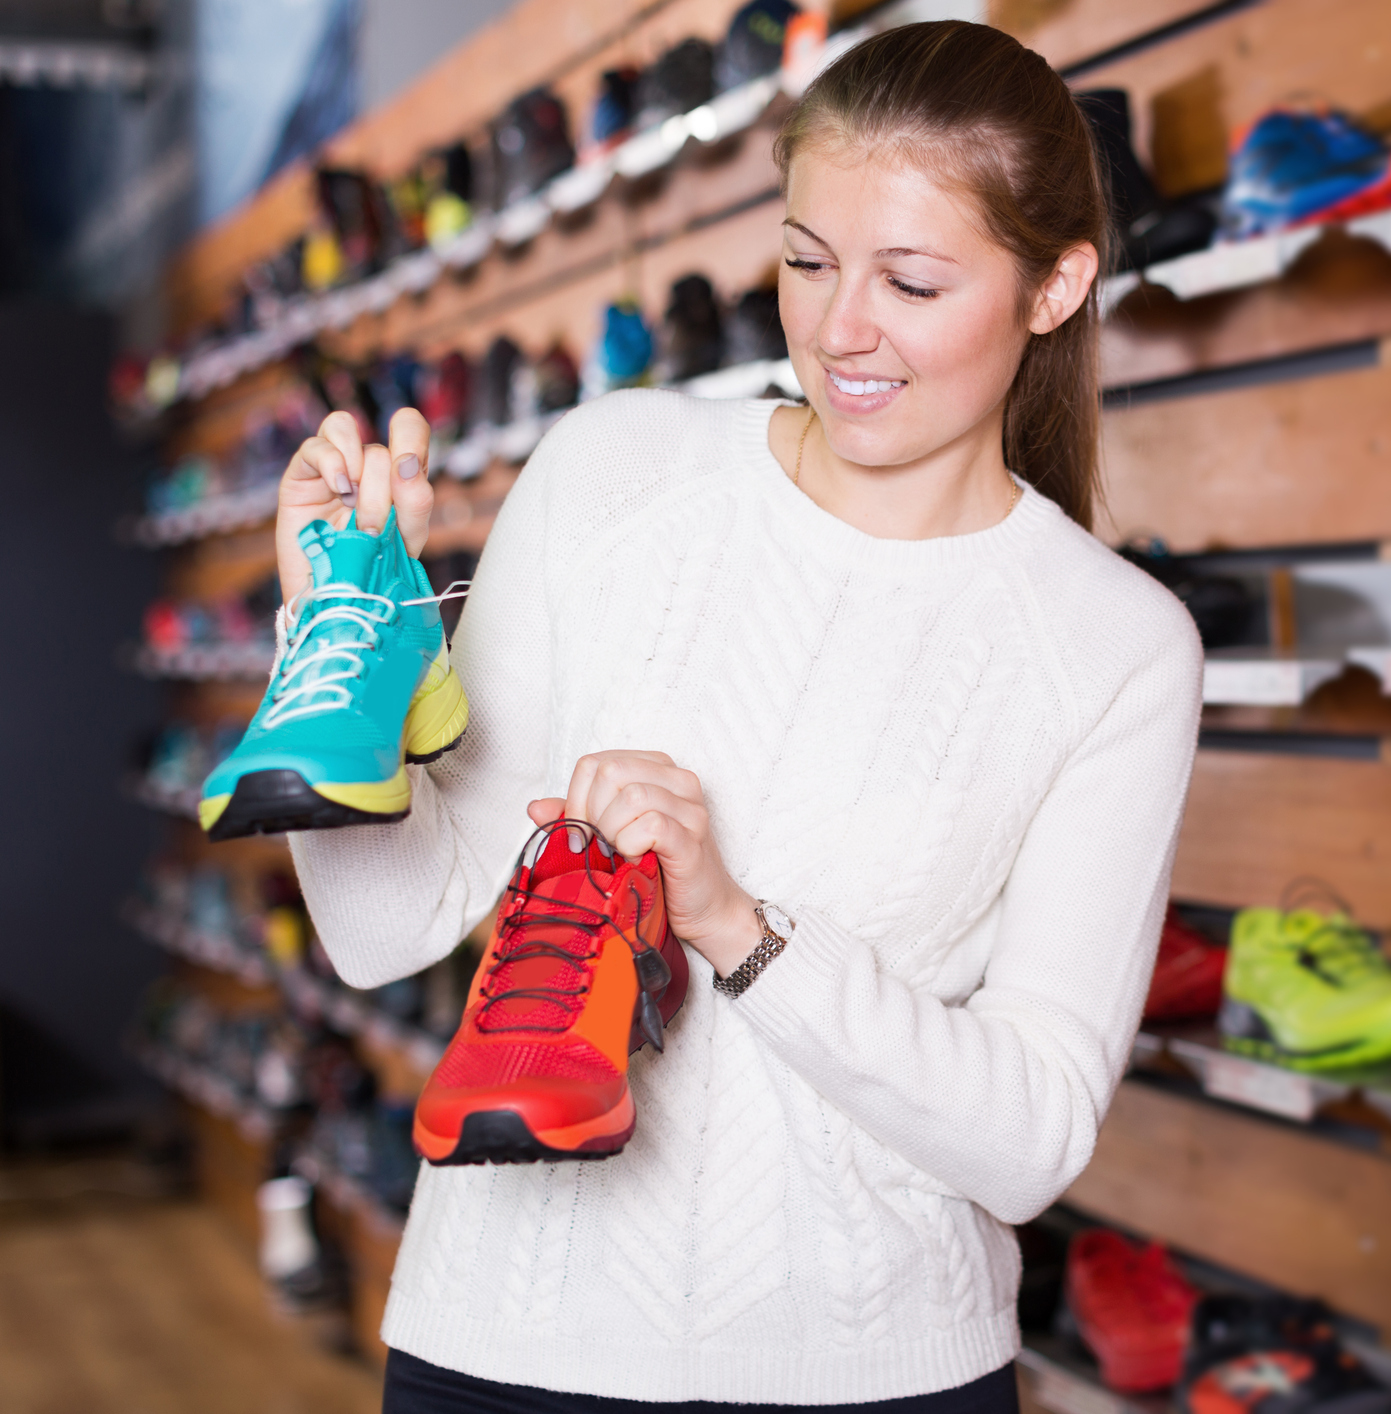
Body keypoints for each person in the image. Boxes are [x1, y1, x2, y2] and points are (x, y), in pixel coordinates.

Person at [275, 20, 1203, 1413]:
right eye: (809, 261)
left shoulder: (1116, 646)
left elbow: (1030, 1138)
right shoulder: (612, 470)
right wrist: (329, 658)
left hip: (878, 1374)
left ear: (1056, 284)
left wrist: (737, 927)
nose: (841, 331)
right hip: (503, 1350)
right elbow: (376, 930)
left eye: (912, 280)